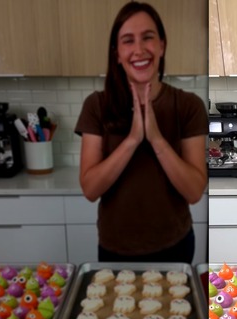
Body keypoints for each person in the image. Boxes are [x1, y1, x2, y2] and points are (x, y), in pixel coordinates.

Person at [76, 2, 207, 263]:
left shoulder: (188, 105)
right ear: (116, 53)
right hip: (115, 248)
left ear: (162, 45)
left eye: (147, 37)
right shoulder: (97, 106)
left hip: (176, 245)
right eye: (128, 41)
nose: (139, 49)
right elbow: (90, 189)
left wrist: (156, 139)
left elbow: (194, 192)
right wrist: (133, 140)